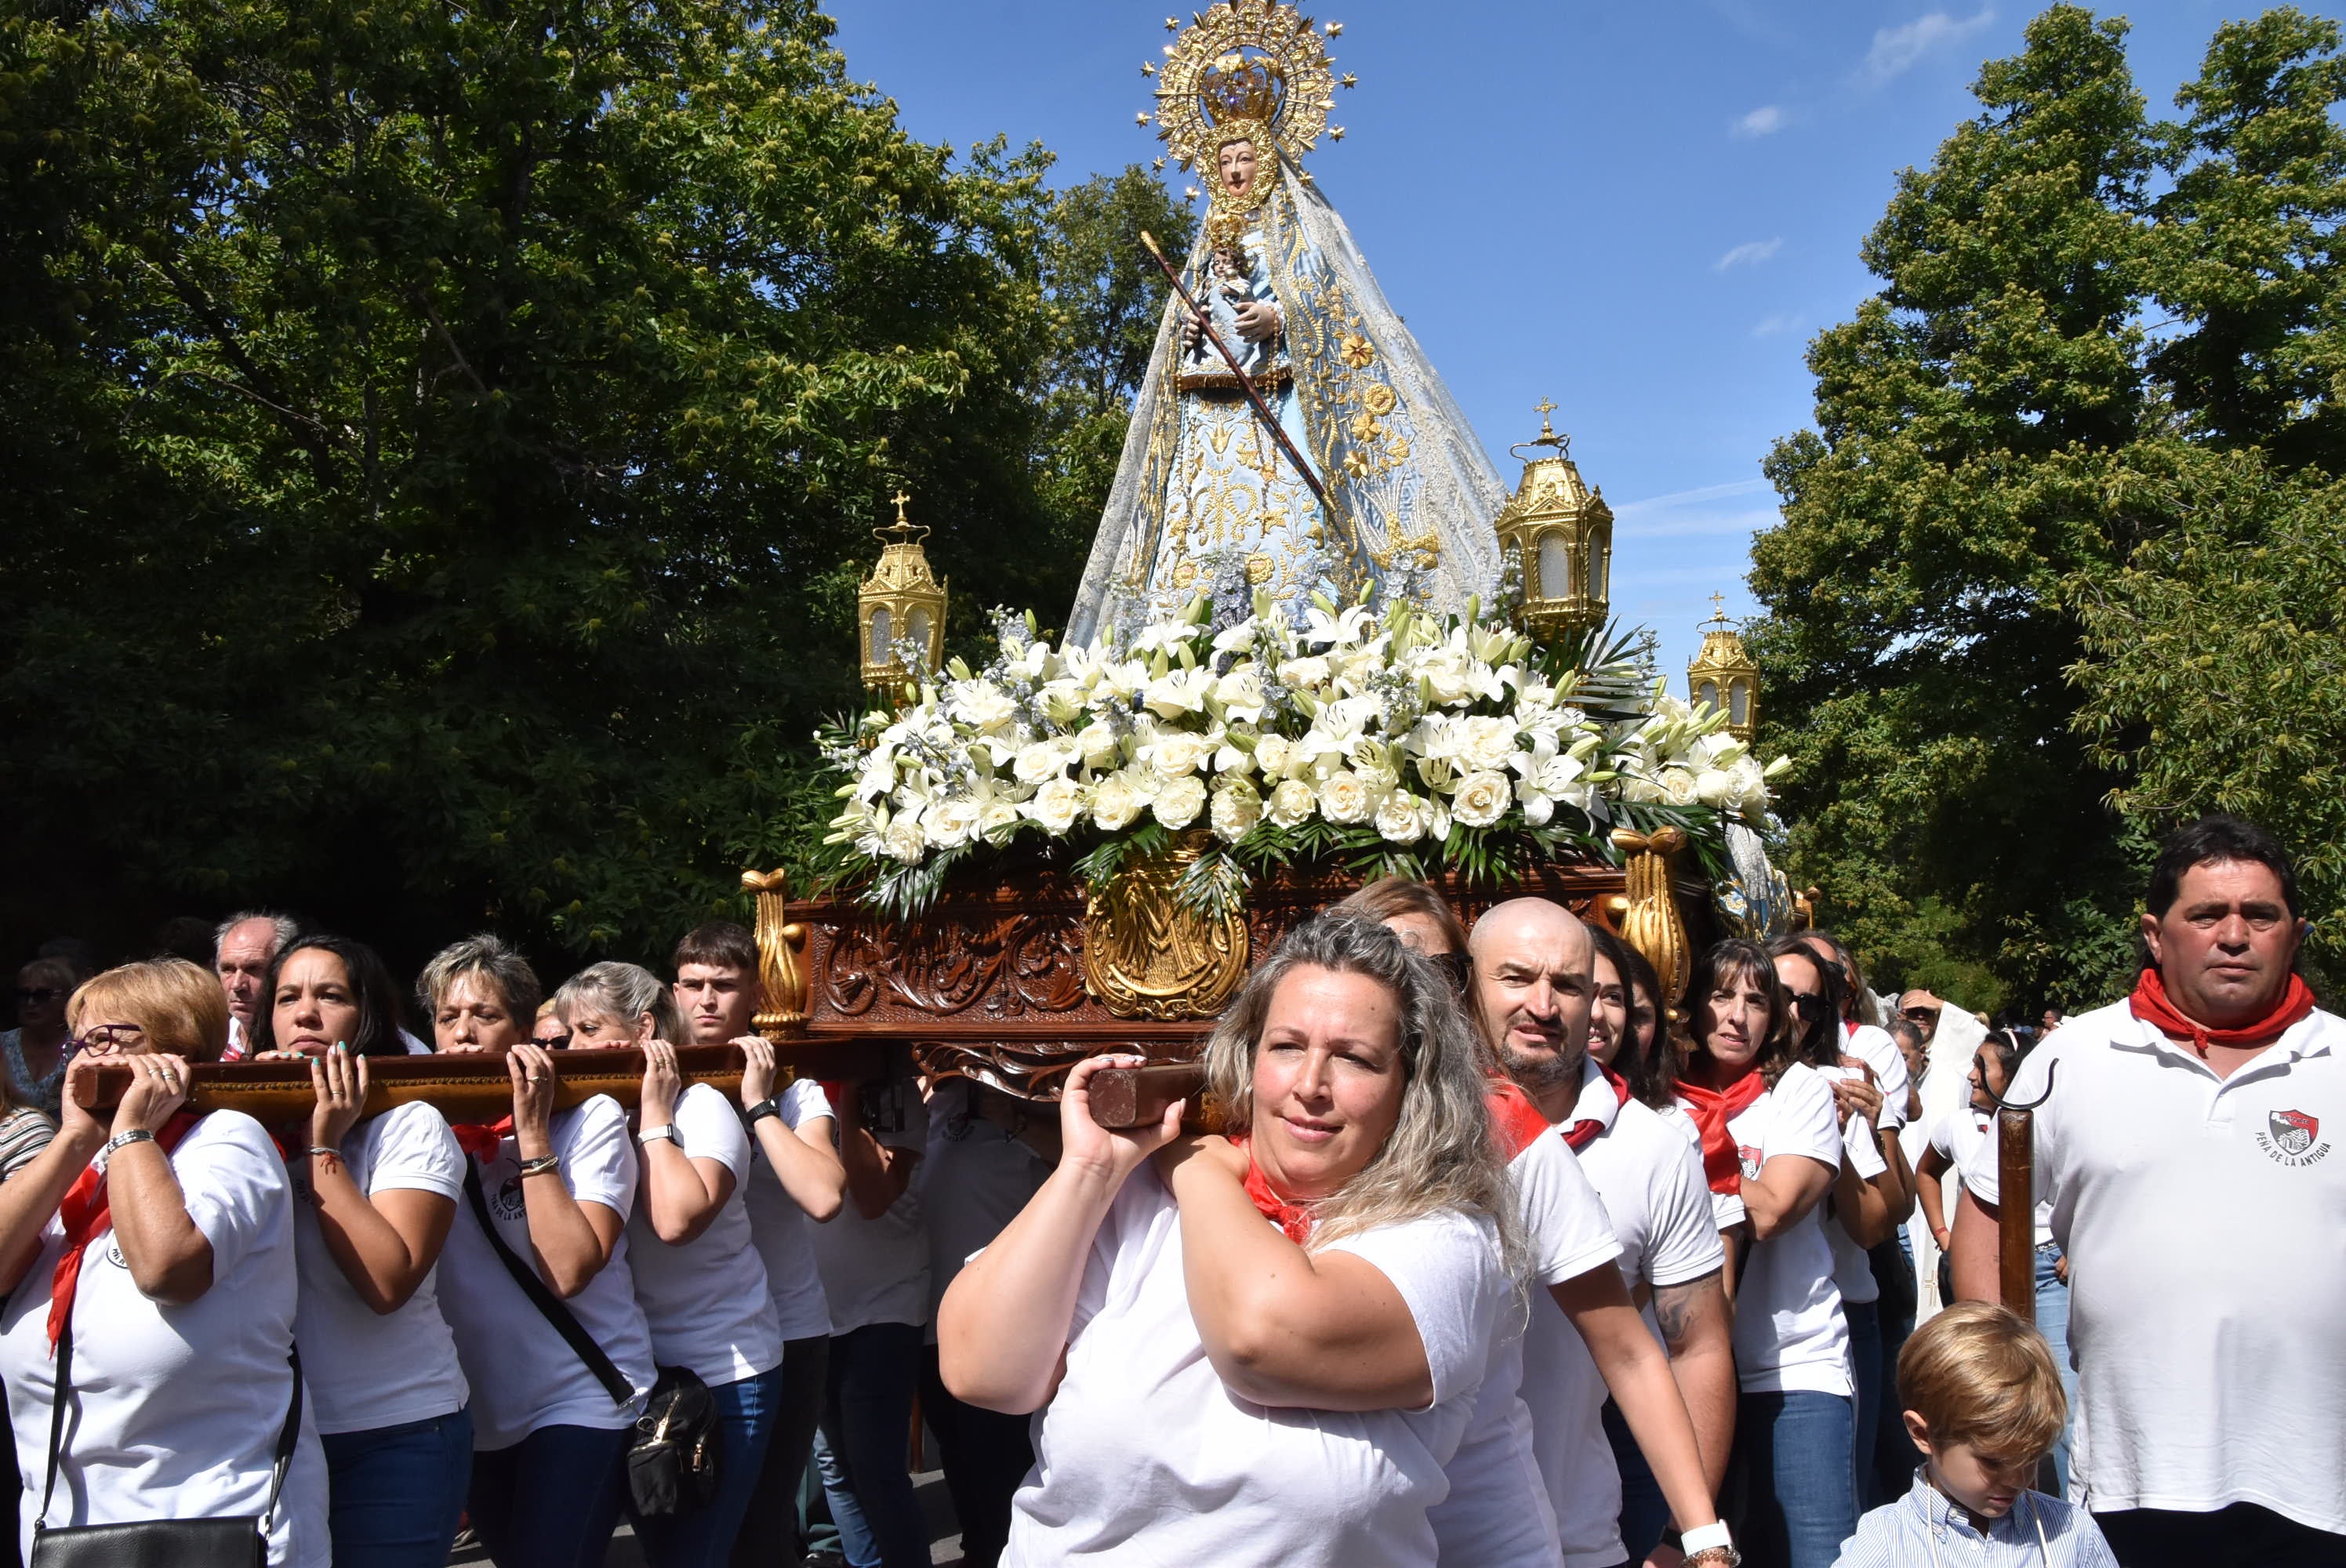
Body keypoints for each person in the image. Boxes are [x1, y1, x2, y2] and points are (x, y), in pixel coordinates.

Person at [939, 913, 1518, 1567]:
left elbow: (1261, 1340)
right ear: (1249, 1056)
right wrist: (1090, 1170)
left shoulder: (1444, 1238)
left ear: (1411, 1088)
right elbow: (981, 1371)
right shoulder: (1136, 1198)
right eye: (1287, 1047)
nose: (1310, 1086)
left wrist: (1200, 1171)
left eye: (1354, 1058)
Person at [1951, 815, 2346, 1564]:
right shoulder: (2072, 1060)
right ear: (2155, 936)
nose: (2235, 935)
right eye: (2207, 914)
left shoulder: (2340, 1057)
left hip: (2320, 1482)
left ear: (2295, 935)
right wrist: (1999, 1385)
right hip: (2132, 1480)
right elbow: (1988, 1217)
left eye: (2261, 915)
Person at [0, 958, 329, 1566]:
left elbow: (168, 1270)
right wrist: (75, 1138)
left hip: (217, 1522)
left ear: (175, 1051)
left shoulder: (228, 1139)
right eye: (80, 1042)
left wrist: (131, 1132)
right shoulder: (84, 1160)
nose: (87, 1059)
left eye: (109, 1037)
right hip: (70, 1531)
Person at [1464, 899, 1738, 1568]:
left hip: (1574, 1535)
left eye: (1567, 985)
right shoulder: (1401, 1124)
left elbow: (1695, 1347)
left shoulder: (1656, 1148)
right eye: (1516, 977)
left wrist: (1686, 1536)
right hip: (1411, 1532)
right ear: (1468, 985)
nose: (1542, 1005)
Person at [424, 937, 655, 1568]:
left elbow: (570, 1269)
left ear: (525, 1032)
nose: (463, 1034)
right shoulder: (418, 1124)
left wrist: (530, 1133)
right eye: (448, 1018)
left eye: (485, 1015)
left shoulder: (586, 1117)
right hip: (481, 1407)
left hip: (582, 1398)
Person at [251, 936, 472, 1568]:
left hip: (396, 1435)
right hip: (273, 1437)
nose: (306, 1013)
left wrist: (323, 1148)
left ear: (368, 1016)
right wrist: (257, 1118)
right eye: (287, 998)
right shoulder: (243, 1127)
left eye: (331, 996)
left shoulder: (410, 1124)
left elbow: (385, 1282)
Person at [557, 962, 784, 1568]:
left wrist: (656, 1120)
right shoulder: (594, 1113)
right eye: (567, 1033)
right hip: (637, 1376)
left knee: (694, 1552)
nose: (572, 1047)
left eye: (588, 1030)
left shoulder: (702, 1106)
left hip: (725, 1369)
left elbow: (677, 1221)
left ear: (644, 1030)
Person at [667, 924, 846, 1568]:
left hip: (786, 1332)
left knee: (760, 1528)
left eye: (724, 985)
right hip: (673, 1332)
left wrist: (757, 1104)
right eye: (693, 984)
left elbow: (823, 1197)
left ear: (756, 995)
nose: (706, 1000)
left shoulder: (794, 1087)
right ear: (673, 992)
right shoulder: (654, 1079)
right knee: (680, 1522)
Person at [1678, 938, 1852, 1568]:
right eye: (1722, 996)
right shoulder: (1660, 1093)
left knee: (1814, 1555)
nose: (1736, 1016)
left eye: (1755, 1001)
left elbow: (1773, 1209)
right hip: (1684, 1371)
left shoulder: (1799, 1091)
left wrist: (1678, 1165)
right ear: (1693, 1006)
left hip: (1791, 1364)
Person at [1772, 937, 1914, 1513]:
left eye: (1810, 1002)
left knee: (1837, 1510)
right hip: (1732, 1331)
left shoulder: (1846, 1074)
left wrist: (1864, 1130)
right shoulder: (1707, 1086)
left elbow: (1883, 1218)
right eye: (1774, 994)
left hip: (1833, 1321)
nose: (1790, 1013)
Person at [1832, 1303, 2117, 1566]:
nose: (2016, 1479)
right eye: (1993, 1462)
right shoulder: (1885, 1542)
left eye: (2031, 1458)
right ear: (1923, 1434)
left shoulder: (2073, 1533)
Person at [1913, 1030, 2069, 1490]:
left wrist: (2073, 1245)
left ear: (2014, 1074)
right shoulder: (1958, 1125)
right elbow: (1927, 1171)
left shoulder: (2045, 1118)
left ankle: (2062, 1517)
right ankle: (1998, 1506)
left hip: (2048, 1270)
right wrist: (1945, 1235)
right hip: (1985, 1267)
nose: (1971, 1075)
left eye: (1983, 1066)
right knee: (1995, 1395)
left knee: (2061, 1406)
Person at [918, 1079, 1055, 1568]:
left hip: (1005, 1327)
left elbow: (1074, 1160)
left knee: (1001, 1472)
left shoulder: (1036, 1096)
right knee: (958, 1460)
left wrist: (1014, 1115)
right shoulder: (934, 1103)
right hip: (934, 1321)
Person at [805, 1058, 932, 1568]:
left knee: (874, 1468)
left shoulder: (895, 1094)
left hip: (885, 1309)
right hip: (816, 1311)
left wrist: (849, 1096)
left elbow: (871, 1196)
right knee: (835, 1467)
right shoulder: (798, 1090)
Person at [216, 910, 300, 1058]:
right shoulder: (208, 1045)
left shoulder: (308, 1045)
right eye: (228, 969)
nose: (237, 984)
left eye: (253, 968)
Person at [5, 956, 74, 1117]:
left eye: (42, 995)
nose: (31, 1003)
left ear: (66, 999)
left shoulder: (81, 1046)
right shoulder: (3, 1045)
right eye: (24, 994)